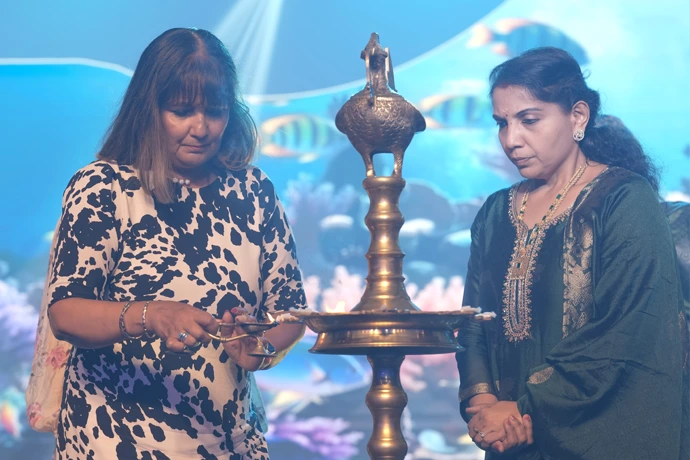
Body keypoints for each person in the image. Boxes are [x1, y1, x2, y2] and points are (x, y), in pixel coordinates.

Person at [43, 27, 307, 459]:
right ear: (148, 109)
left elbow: (291, 312)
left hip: (231, 442)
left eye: (216, 111)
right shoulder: (104, 187)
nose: (201, 128)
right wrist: (152, 315)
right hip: (115, 440)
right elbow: (66, 313)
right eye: (182, 111)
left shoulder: (254, 191)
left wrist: (258, 349)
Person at [455, 47, 689, 459]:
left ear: (577, 116)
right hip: (509, 440)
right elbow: (474, 321)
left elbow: (624, 329)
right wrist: (485, 407)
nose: (511, 140)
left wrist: (524, 409)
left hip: (598, 437)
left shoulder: (623, 199)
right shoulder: (494, 213)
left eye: (529, 120)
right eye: (502, 123)